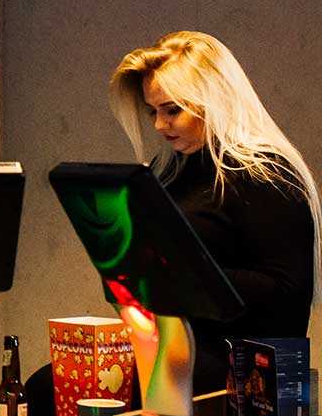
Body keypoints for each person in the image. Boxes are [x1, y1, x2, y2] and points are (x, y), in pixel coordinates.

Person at [108, 30, 321, 391]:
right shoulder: (176, 170)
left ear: (215, 101)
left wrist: (182, 273)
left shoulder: (265, 175)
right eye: (153, 111)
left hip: (241, 368)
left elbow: (288, 292)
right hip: (179, 349)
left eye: (172, 110)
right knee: (48, 385)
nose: (159, 125)